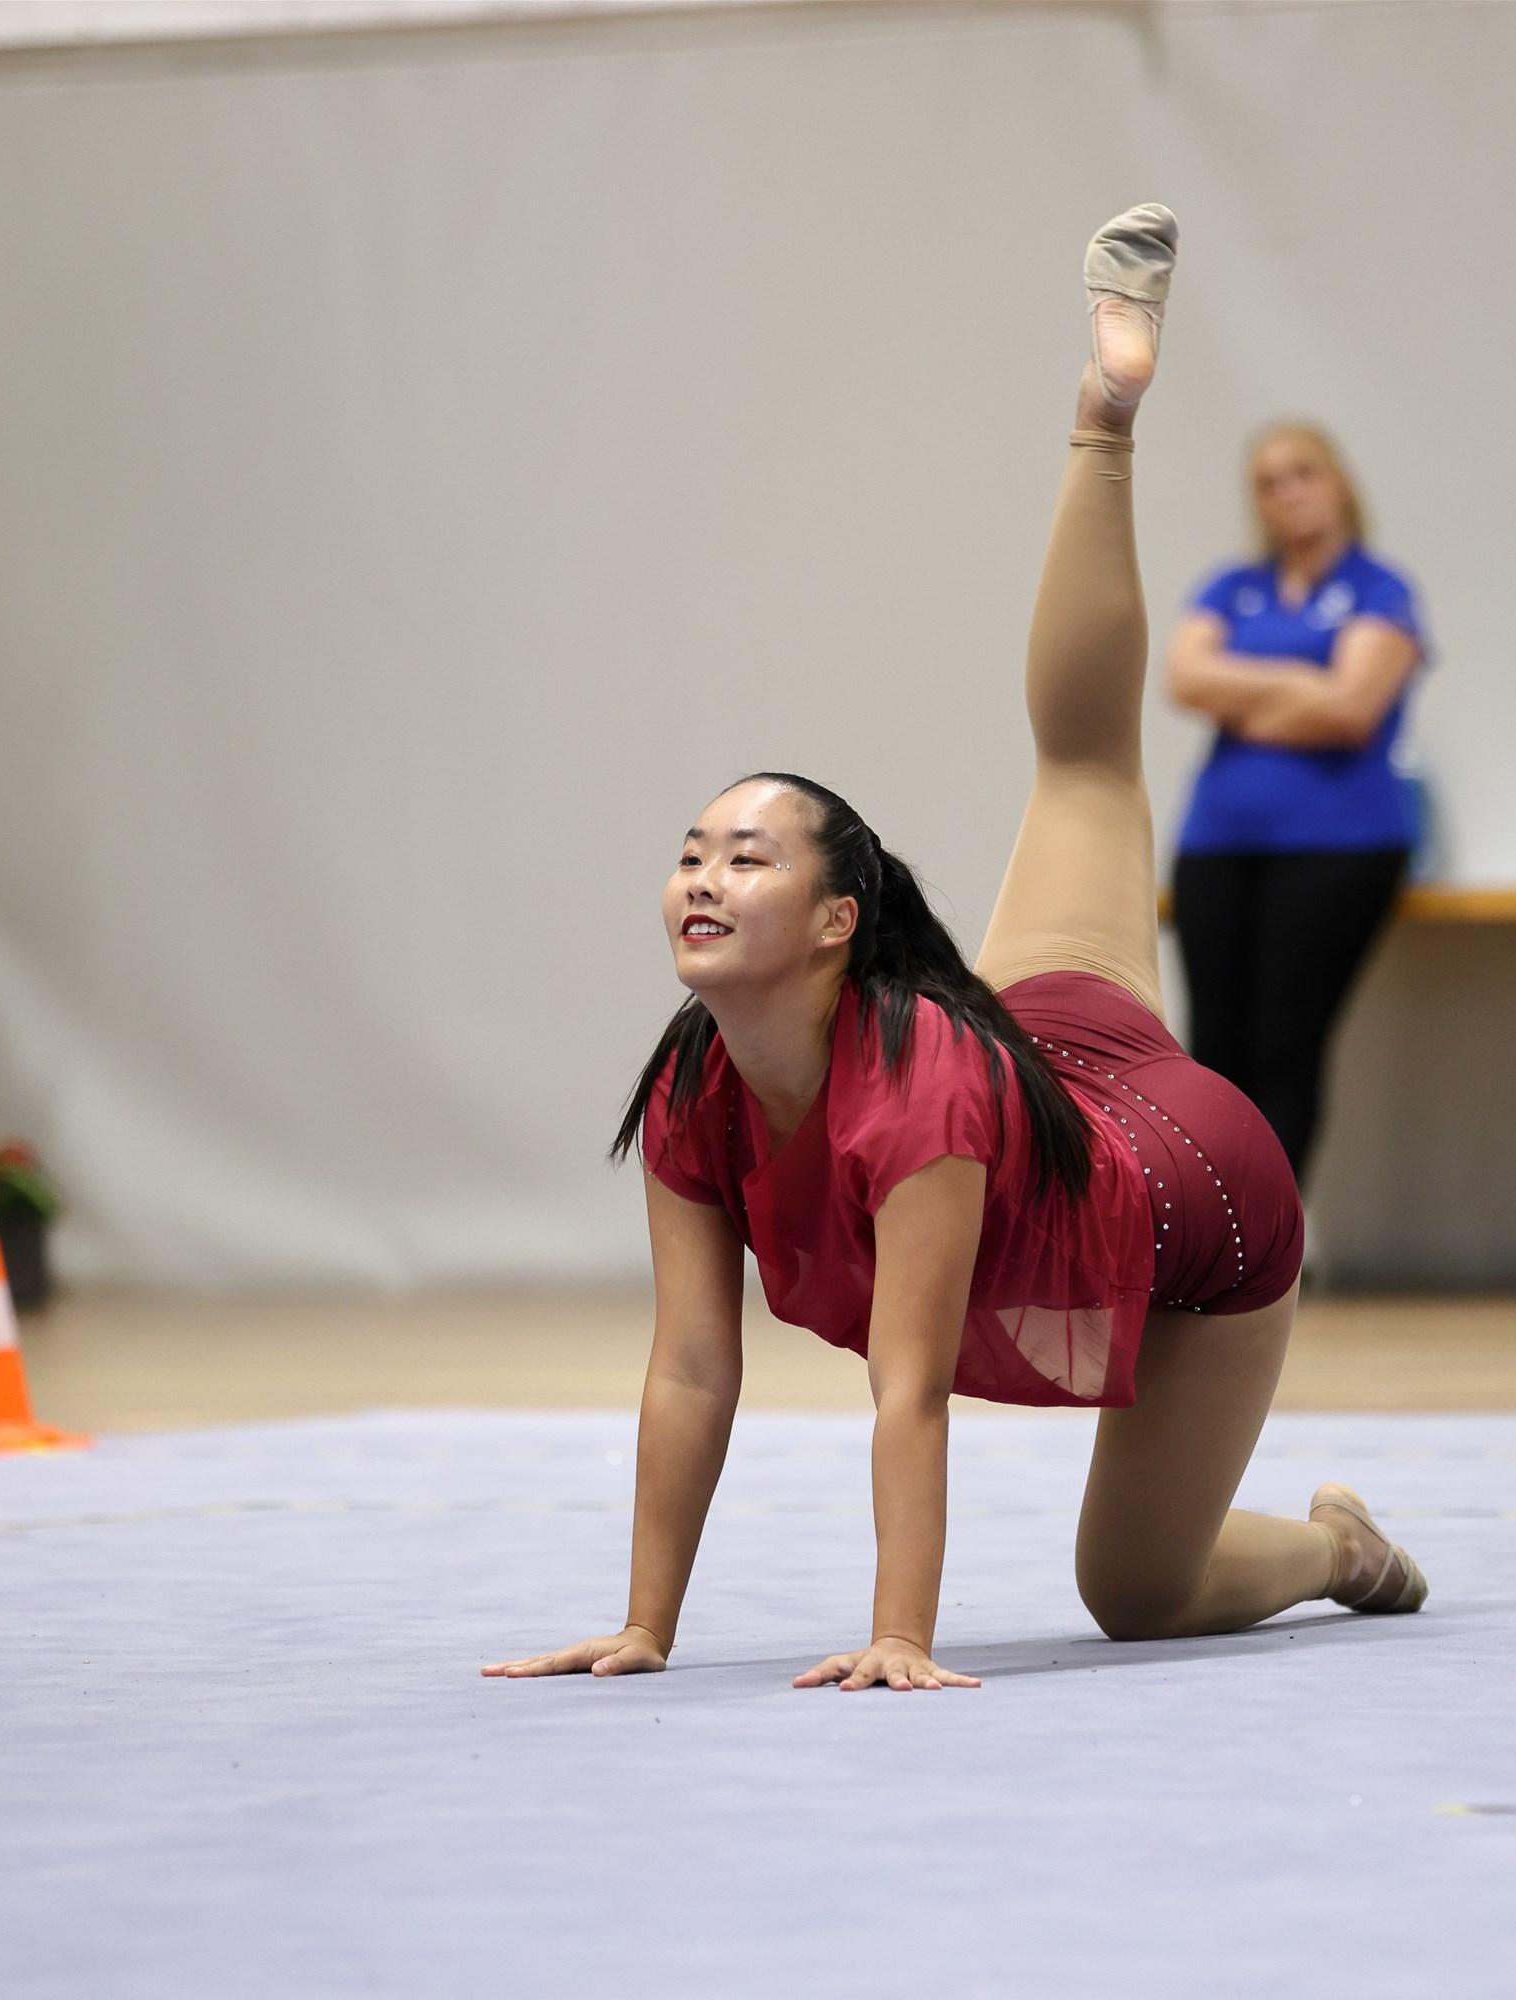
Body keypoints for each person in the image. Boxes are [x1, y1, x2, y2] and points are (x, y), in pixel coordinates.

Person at [484, 205, 1426, 1694]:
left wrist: (901, 1637)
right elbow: (692, 1365)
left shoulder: (915, 1089)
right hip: (1047, 1049)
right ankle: (1106, 416)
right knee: (1089, 773)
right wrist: (645, 1624)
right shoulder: (692, 1088)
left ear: (840, 923)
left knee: (1140, 1593)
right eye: (691, 853)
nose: (703, 879)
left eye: (747, 857)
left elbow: (910, 1388)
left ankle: (1102, 423)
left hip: (1198, 1186)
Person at [1164, 422, 1430, 1188]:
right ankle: (1212, 1223)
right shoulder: (1231, 586)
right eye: (1268, 482)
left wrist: (1243, 694)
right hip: (1218, 842)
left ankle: (1272, 1228)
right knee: (1214, 1049)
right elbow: (1185, 680)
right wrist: (1300, 684)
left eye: (1302, 473)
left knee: (1286, 1040)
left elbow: (1352, 709)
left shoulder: (1380, 588)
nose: (1287, 493)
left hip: (1340, 845)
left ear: (1337, 480)